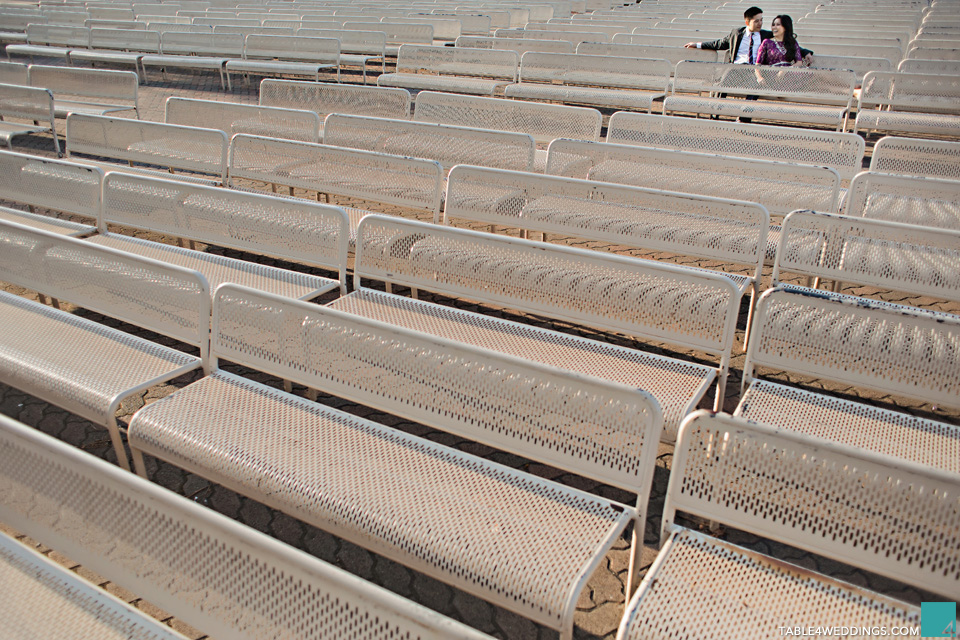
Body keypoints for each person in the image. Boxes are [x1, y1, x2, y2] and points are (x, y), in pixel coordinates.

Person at [684, 7, 812, 66]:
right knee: (723, 84)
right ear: (747, 22)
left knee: (753, 89)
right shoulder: (736, 34)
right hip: (736, 67)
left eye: (761, 20)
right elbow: (719, 44)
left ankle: (743, 118)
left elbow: (788, 42)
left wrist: (806, 52)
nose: (760, 23)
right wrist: (697, 44)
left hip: (754, 69)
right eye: (756, 21)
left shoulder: (766, 35)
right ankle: (716, 113)